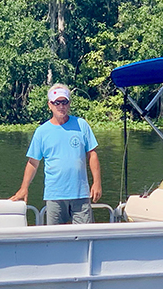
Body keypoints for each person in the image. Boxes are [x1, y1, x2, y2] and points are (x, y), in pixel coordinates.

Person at [9, 84, 102, 224]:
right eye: (56, 102)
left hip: (81, 194)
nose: (61, 106)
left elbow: (92, 154)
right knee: (56, 238)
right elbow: (33, 162)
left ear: (69, 103)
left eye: (64, 102)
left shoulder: (81, 124)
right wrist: (24, 188)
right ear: (50, 105)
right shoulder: (42, 132)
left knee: (85, 236)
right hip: (55, 194)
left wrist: (97, 182)